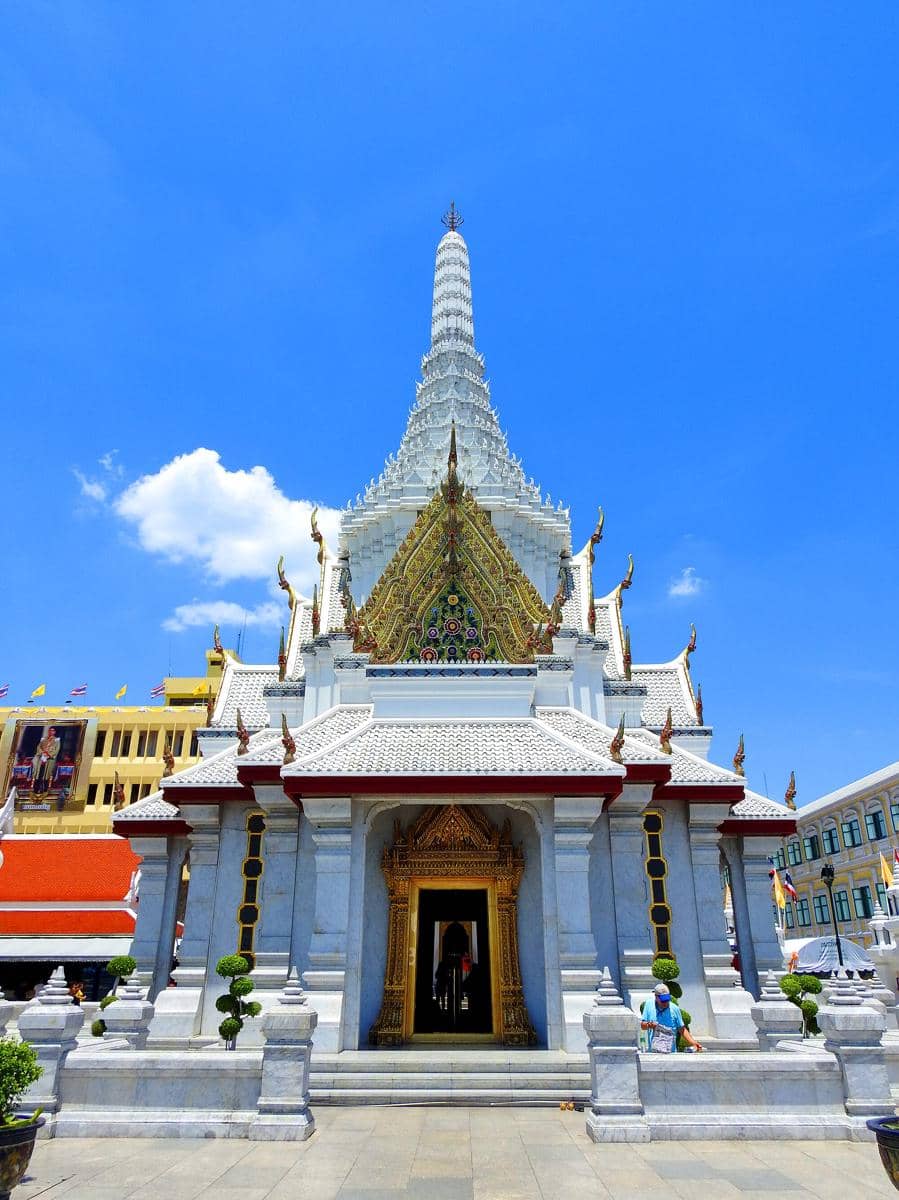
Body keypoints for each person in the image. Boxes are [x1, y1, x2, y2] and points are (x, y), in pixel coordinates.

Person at [641, 982, 703, 1053]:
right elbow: (643, 1026)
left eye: (667, 1000)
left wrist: (693, 1042)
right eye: (663, 1001)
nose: (665, 1003)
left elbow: (682, 1029)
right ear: (656, 997)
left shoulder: (675, 1008)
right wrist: (649, 1025)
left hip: (671, 1053)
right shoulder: (648, 1005)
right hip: (653, 1052)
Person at [32, 727, 61, 795]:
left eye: (53, 731)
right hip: (41, 759)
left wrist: (49, 754)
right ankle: (36, 789)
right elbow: (38, 747)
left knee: (46, 774)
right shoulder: (43, 739)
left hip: (49, 759)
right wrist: (42, 752)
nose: (51, 732)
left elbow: (57, 750)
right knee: (39, 773)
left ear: (55, 732)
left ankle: (45, 789)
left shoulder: (57, 740)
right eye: (50, 730)